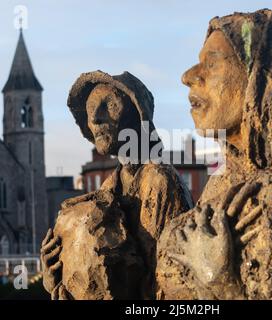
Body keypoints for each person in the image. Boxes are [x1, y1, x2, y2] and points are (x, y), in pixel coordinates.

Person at [156, 9, 272, 299]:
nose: (189, 76)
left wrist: (223, 285)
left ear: (263, 75)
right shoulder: (223, 180)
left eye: (212, 63)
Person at [40, 71, 193, 299]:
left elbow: (165, 283)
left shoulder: (159, 181)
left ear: (137, 113)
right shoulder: (107, 189)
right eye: (91, 111)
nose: (95, 118)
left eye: (109, 105)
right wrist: (59, 278)